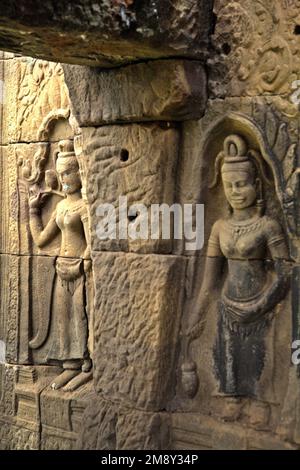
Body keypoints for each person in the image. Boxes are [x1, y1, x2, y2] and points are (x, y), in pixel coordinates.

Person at [184, 134, 289, 422]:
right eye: (229, 186)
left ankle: (259, 399)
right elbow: (210, 280)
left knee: (259, 356)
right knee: (229, 357)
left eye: (241, 184)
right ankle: (231, 395)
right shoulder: (219, 227)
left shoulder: (267, 226)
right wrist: (197, 312)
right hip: (228, 302)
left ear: (257, 185)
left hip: (262, 304)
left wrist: (262, 305)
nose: (235, 192)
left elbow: (285, 272)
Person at [29, 140, 92, 391]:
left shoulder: (84, 206)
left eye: (69, 172)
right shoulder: (60, 206)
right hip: (61, 268)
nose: (65, 178)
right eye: (61, 173)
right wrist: (33, 212)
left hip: (79, 270)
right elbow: (42, 240)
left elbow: (92, 242)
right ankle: (69, 365)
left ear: (79, 173)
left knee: (80, 317)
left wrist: (86, 260)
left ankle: (86, 364)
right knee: (63, 319)